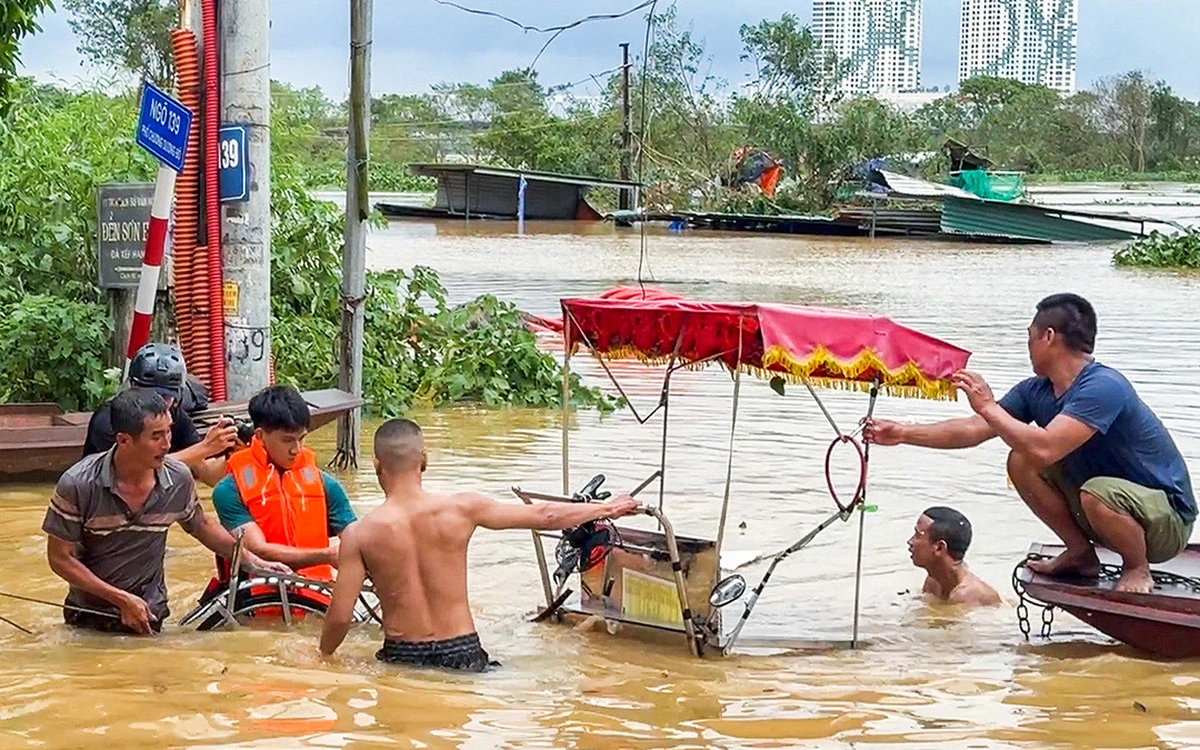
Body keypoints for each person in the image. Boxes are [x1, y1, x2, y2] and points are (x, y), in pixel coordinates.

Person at [868, 293, 1195, 594]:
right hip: (1107, 506)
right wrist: (902, 433)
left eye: (1029, 336)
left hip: (1166, 520)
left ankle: (1137, 567)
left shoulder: (1104, 386)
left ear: (1048, 336)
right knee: (1020, 460)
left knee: (1091, 489)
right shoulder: (1035, 390)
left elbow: (1047, 447)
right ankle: (1080, 553)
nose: (1028, 345)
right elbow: (974, 429)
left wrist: (987, 406)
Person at [318, 418, 640, 671]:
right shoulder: (462, 509)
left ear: (377, 464)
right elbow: (546, 514)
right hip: (463, 651)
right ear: (424, 460)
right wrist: (607, 508)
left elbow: (340, 618)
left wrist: (322, 656)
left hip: (402, 655)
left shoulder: (360, 534)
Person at [44, 389, 288, 635]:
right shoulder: (79, 484)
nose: (167, 444)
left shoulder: (177, 479)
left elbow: (202, 526)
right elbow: (60, 558)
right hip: (88, 618)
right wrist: (121, 599)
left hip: (150, 616)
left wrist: (254, 561)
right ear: (124, 440)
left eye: (169, 431)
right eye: (156, 437)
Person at [211, 385, 356, 580]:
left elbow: (355, 540)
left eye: (301, 438)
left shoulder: (326, 486)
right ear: (261, 436)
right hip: (259, 600)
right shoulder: (229, 490)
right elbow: (258, 550)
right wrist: (327, 556)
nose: (296, 449)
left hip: (317, 598)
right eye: (287, 440)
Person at [84, 343, 236, 487]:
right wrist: (204, 447)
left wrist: (232, 452)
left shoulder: (175, 415)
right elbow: (128, 473)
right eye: (151, 395)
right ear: (133, 387)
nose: (157, 403)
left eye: (166, 397)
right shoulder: (110, 418)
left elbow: (208, 474)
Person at [908, 507, 1000, 606]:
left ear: (939, 547)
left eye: (917, 536)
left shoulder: (967, 596)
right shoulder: (934, 580)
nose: (910, 541)